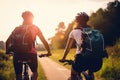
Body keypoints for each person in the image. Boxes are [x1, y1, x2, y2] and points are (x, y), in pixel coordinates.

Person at [6, 11, 52, 80]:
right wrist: (49, 52)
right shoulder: (35, 28)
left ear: (23, 18)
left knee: (18, 76)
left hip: (17, 54)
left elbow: (7, 42)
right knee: (35, 73)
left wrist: (7, 51)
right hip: (31, 54)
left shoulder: (16, 28)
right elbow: (44, 41)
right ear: (32, 18)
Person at [60, 12, 99, 80]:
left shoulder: (73, 32)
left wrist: (63, 58)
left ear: (77, 21)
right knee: (90, 73)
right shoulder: (92, 31)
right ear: (87, 21)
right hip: (94, 58)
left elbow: (67, 48)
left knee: (73, 75)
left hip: (81, 58)